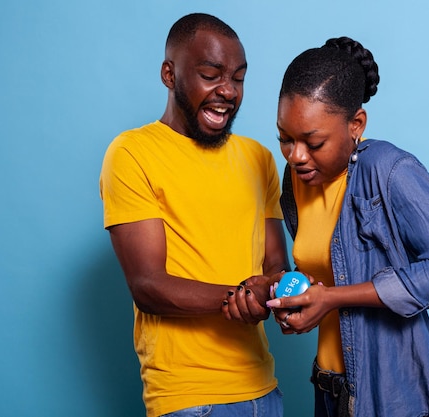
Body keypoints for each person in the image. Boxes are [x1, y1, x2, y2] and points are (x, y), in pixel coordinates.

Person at [265, 37, 429, 417]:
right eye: (285, 138)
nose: (296, 155)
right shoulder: (295, 181)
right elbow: (331, 265)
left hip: (393, 397)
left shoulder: (389, 170)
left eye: (313, 142)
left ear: (356, 124)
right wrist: (299, 301)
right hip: (329, 391)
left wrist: (331, 298)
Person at [99, 13, 289, 417]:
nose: (227, 91)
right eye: (210, 74)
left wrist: (282, 291)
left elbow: (275, 263)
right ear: (169, 74)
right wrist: (239, 296)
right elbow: (147, 285)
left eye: (238, 78)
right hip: (189, 398)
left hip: (265, 391)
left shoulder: (259, 160)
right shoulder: (132, 154)